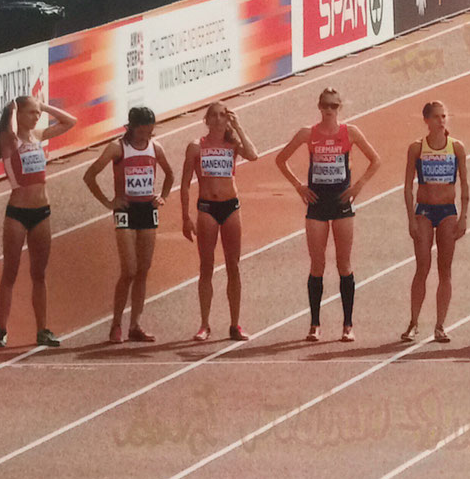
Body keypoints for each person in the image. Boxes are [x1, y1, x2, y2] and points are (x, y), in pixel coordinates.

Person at [275, 87, 381, 342]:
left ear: (340, 107)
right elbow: (280, 160)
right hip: (317, 204)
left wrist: (358, 186)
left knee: (344, 263)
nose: (329, 110)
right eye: (325, 105)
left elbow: (375, 160)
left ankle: (347, 324)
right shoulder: (307, 133)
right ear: (319, 106)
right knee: (317, 264)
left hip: (342, 203)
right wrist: (299, 186)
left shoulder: (350, 132)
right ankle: (314, 324)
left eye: (334, 106)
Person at [83, 107, 174, 343]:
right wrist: (108, 202)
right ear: (135, 126)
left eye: (152, 127)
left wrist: (162, 195)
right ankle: (116, 324)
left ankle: (135, 324)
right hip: (125, 210)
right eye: (146, 128)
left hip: (147, 211)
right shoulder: (117, 148)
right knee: (129, 270)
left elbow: (170, 175)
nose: (150, 132)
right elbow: (89, 175)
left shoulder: (156, 147)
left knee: (143, 269)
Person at [0, 95, 77, 347]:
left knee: (39, 274)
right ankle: (2, 331)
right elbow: (7, 129)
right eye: (31, 112)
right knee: (10, 272)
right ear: (18, 115)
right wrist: (12, 111)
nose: (36, 116)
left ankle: (42, 329)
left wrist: (44, 106)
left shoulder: (38, 136)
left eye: (37, 113)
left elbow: (70, 121)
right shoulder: (10, 141)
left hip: (42, 212)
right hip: (17, 214)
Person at [180, 102, 258, 341]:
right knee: (206, 266)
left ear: (227, 119)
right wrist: (185, 217)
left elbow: (253, 155)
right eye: (212, 115)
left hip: (230, 207)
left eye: (222, 115)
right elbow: (184, 184)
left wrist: (239, 127)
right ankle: (204, 324)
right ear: (206, 120)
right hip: (207, 208)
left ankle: (235, 324)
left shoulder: (232, 144)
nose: (217, 119)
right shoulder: (196, 147)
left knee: (233, 266)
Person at [401, 100, 468, 343]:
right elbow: (408, 186)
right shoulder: (417, 148)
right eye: (437, 117)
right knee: (422, 266)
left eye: (444, 116)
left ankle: (440, 325)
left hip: (448, 211)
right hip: (424, 211)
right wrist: (411, 219)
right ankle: (414, 322)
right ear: (427, 120)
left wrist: (464, 217)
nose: (442, 121)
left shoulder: (456, 147)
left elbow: (465, 185)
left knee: (445, 269)